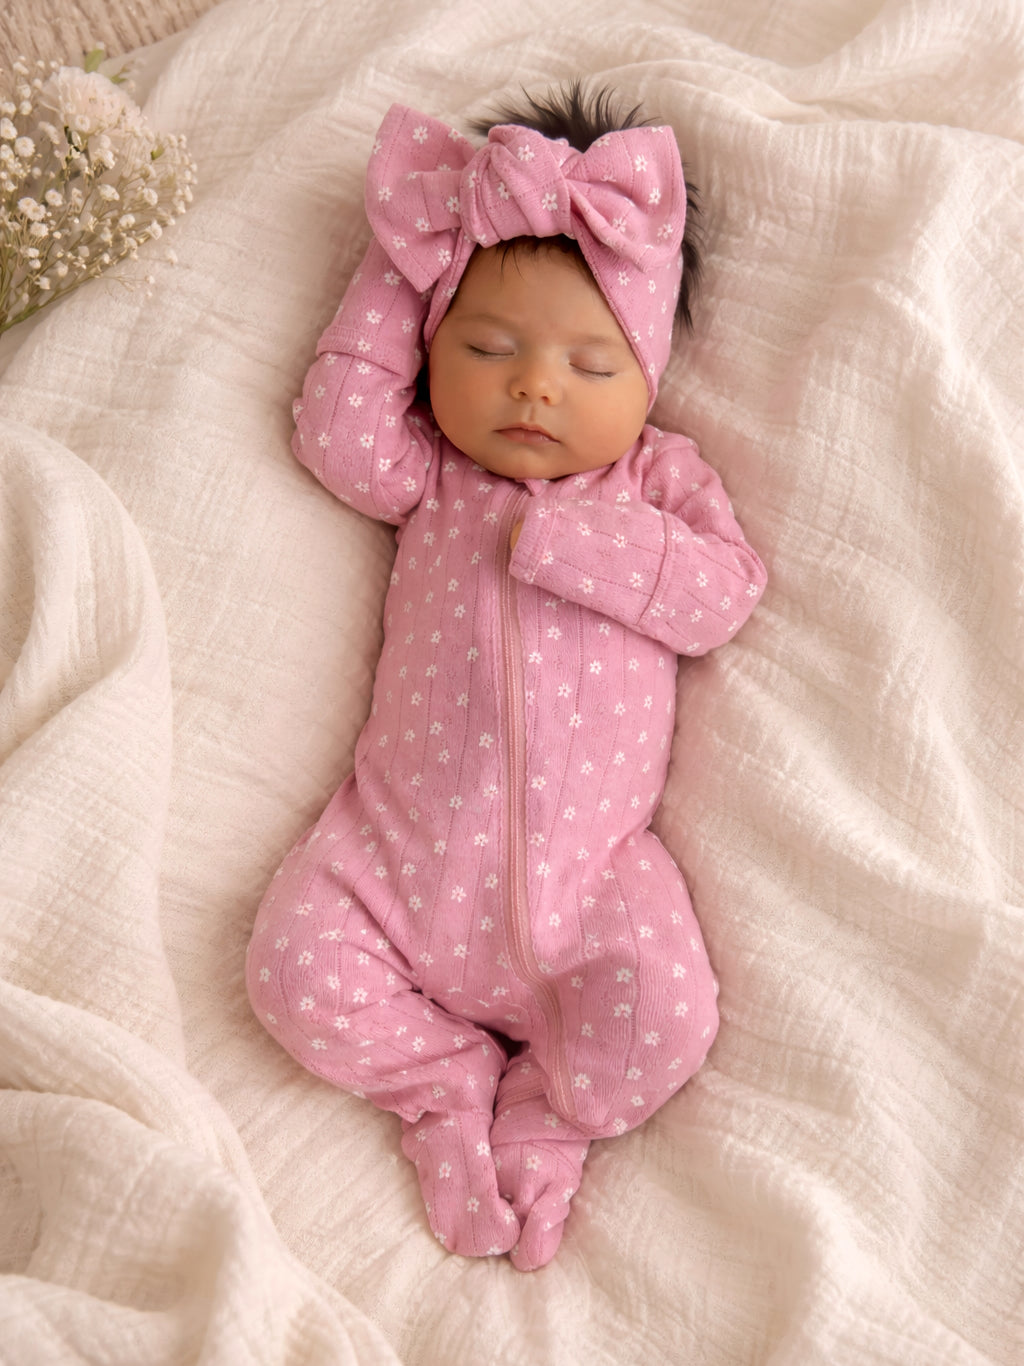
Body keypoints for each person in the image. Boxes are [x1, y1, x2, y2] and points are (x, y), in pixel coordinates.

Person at [246, 82, 767, 1271]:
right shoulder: (428, 476)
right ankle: (441, 1085)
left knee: (667, 1015)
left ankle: (549, 1112)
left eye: (591, 362)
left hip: (587, 886)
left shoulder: (654, 483)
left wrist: (580, 545)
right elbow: (333, 424)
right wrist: (415, 251)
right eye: (487, 347)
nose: (535, 384)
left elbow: (722, 592)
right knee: (288, 970)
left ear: (649, 376)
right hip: (395, 860)